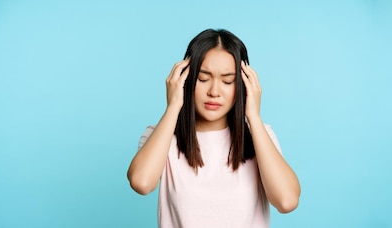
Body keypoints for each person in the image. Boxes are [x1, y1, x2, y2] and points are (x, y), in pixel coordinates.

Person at [127, 29, 300, 228]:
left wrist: (253, 116)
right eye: (202, 79)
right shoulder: (161, 136)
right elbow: (141, 182)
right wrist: (173, 106)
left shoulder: (260, 136)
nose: (214, 92)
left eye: (227, 81)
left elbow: (287, 201)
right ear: (185, 79)